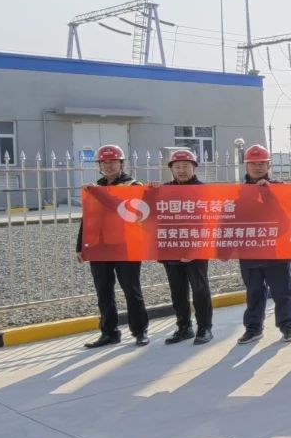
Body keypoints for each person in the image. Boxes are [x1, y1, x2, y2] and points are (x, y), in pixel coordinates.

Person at [75, 144, 150, 348]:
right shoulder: (95, 188)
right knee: (104, 292)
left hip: (125, 246)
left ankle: (140, 331)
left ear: (121, 164)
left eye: (113, 162)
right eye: (104, 162)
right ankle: (109, 333)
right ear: (99, 165)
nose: (108, 166)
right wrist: (81, 246)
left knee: (132, 291)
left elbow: (125, 208)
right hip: (99, 246)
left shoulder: (133, 185)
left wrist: (97, 193)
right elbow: (88, 219)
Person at [237, 144, 291, 345]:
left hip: (276, 250)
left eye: (261, 163)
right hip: (249, 252)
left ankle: (287, 327)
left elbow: (289, 213)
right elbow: (228, 220)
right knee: (254, 293)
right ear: (246, 166)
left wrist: (269, 192)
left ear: (269, 165)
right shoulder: (238, 191)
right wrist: (224, 249)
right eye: (253, 164)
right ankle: (253, 328)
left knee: (282, 292)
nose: (257, 167)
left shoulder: (279, 187)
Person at [156, 149, 214, 344]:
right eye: (177, 167)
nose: (181, 170)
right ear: (171, 169)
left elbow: (210, 221)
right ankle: (184, 327)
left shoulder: (203, 190)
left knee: (200, 290)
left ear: (194, 168)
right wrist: (150, 190)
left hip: (196, 248)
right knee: (177, 291)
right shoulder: (163, 190)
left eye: (185, 166)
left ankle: (204, 327)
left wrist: (196, 248)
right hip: (172, 247)